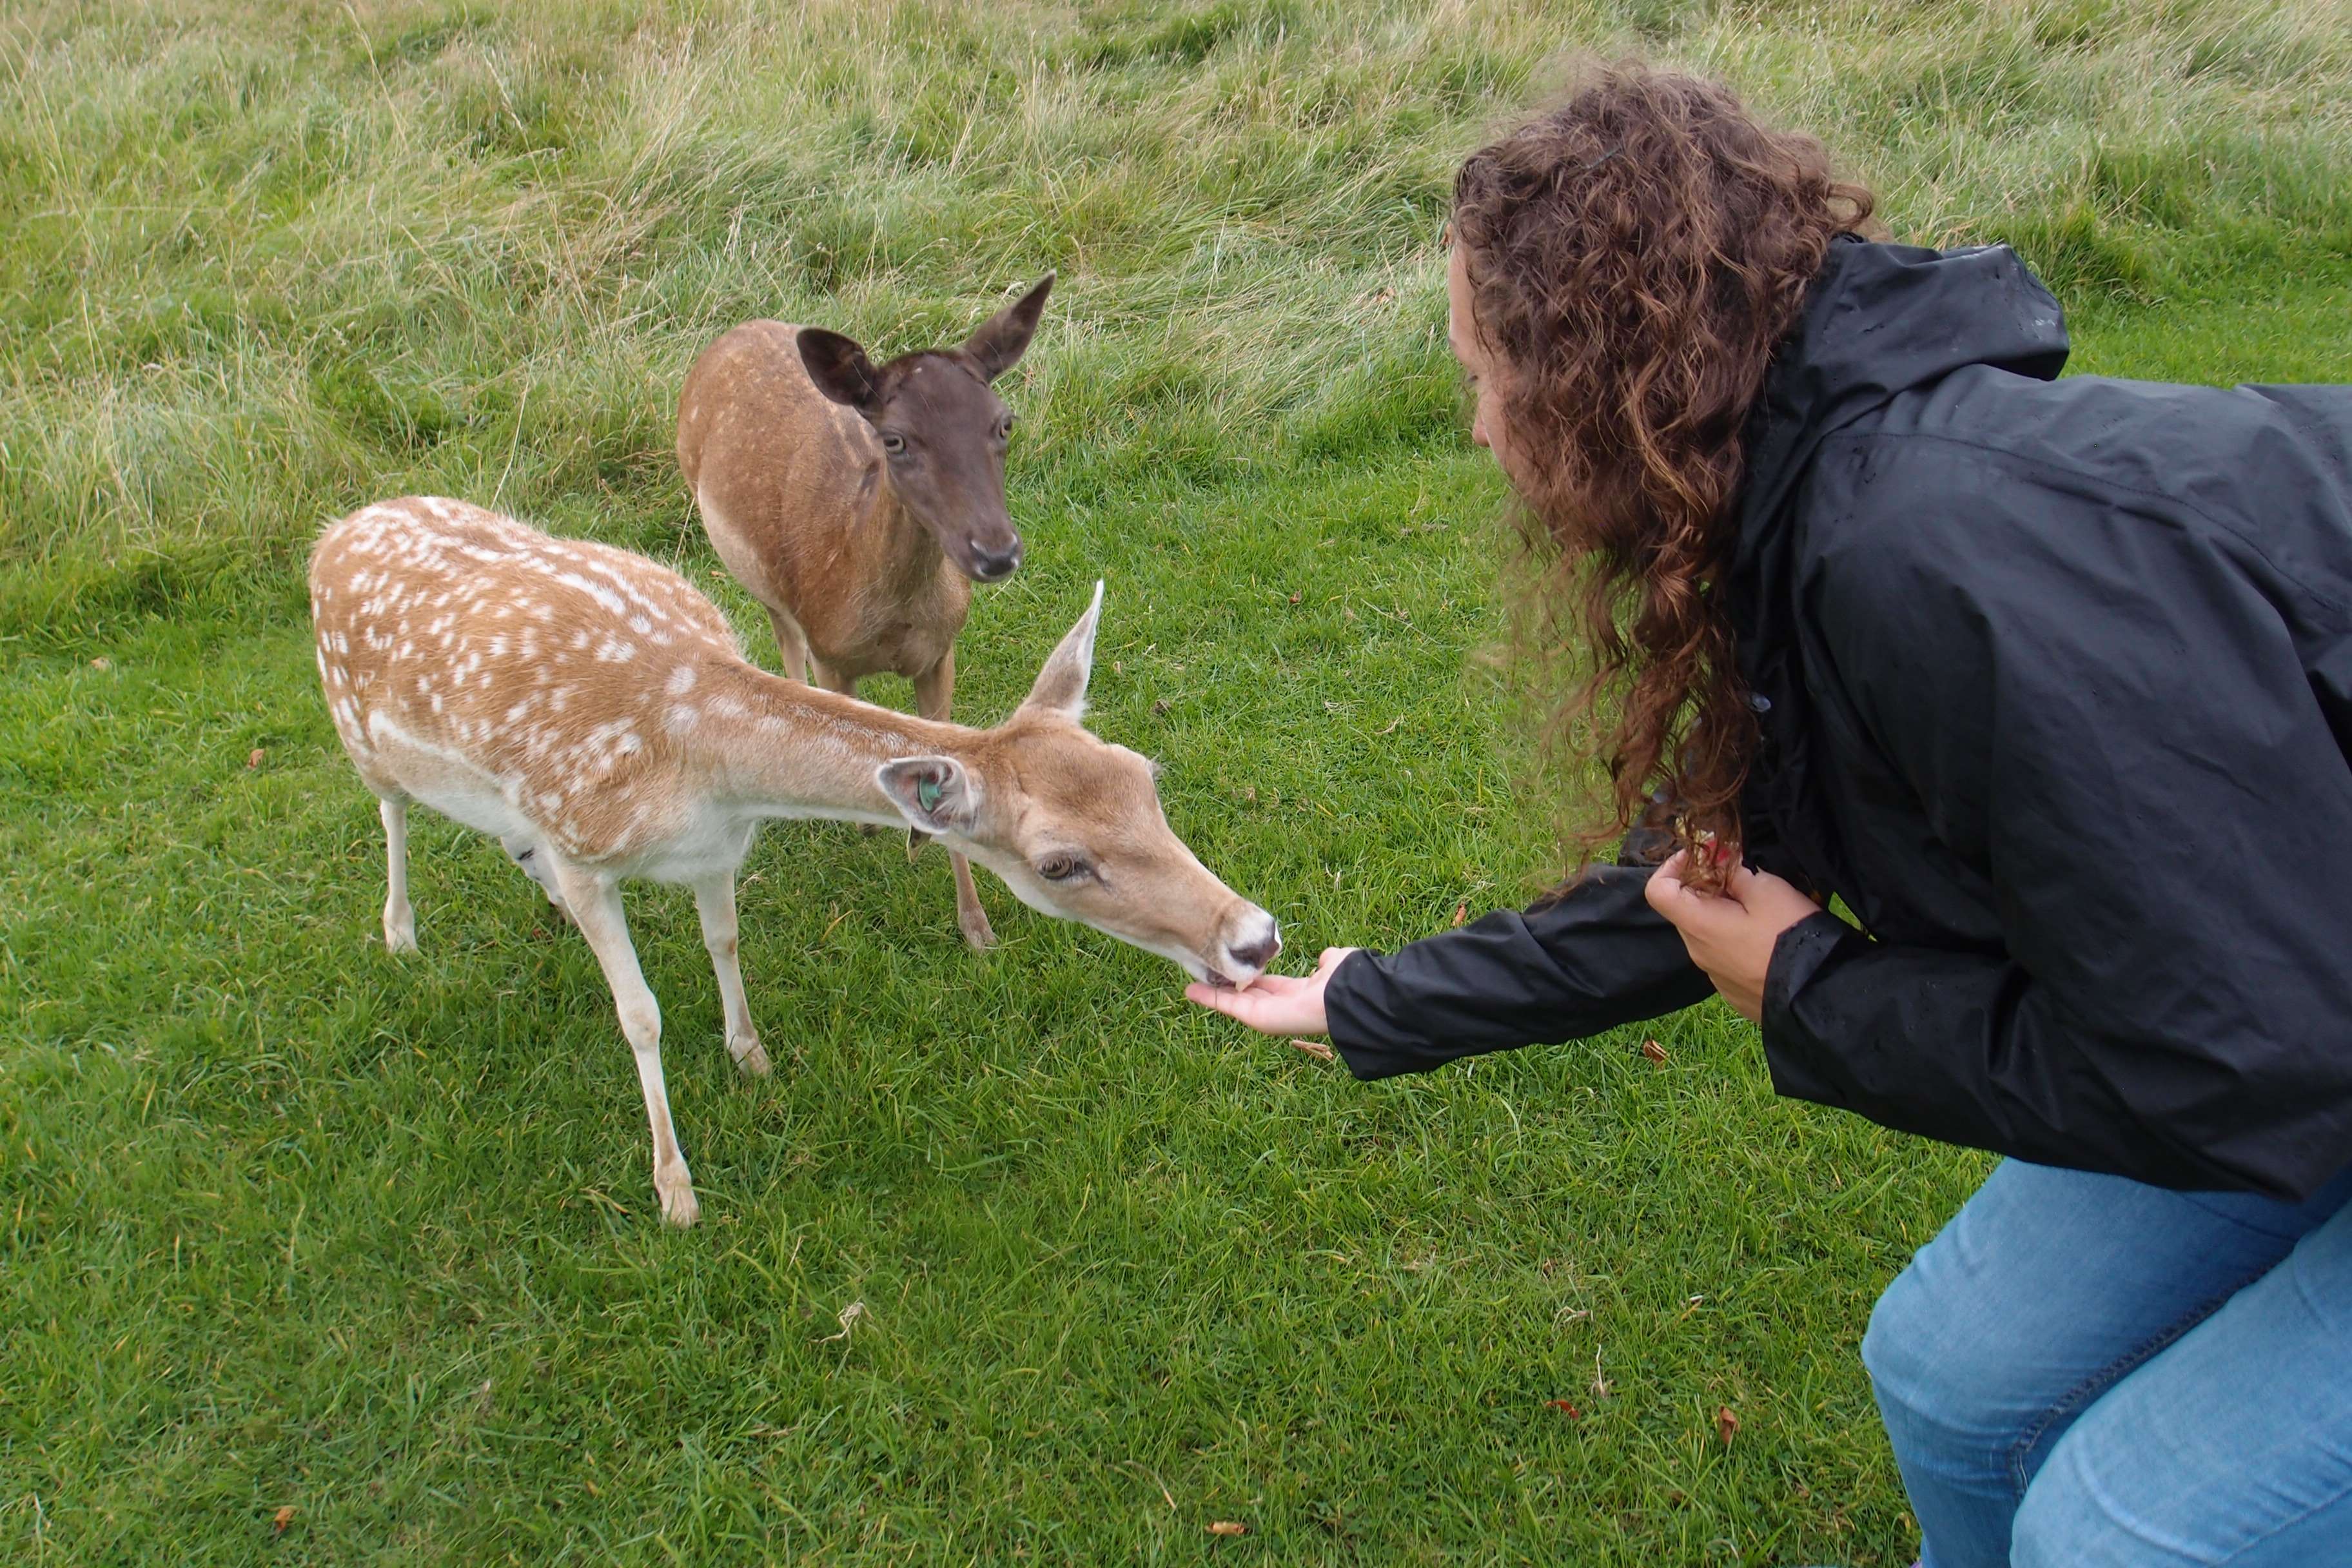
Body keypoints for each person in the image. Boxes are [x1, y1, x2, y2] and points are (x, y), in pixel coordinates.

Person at [1185, 61, 2352, 1568]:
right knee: (1947, 1378)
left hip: (2280, 1054)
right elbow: (1713, 864)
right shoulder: (1803, 502)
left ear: (1590, 383)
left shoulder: (1928, 557)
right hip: (2290, 1022)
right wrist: (1375, 1002)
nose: (1477, 426)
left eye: (1483, 377)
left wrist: (1812, 990)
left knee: (2121, 1530)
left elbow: (2246, 1068)